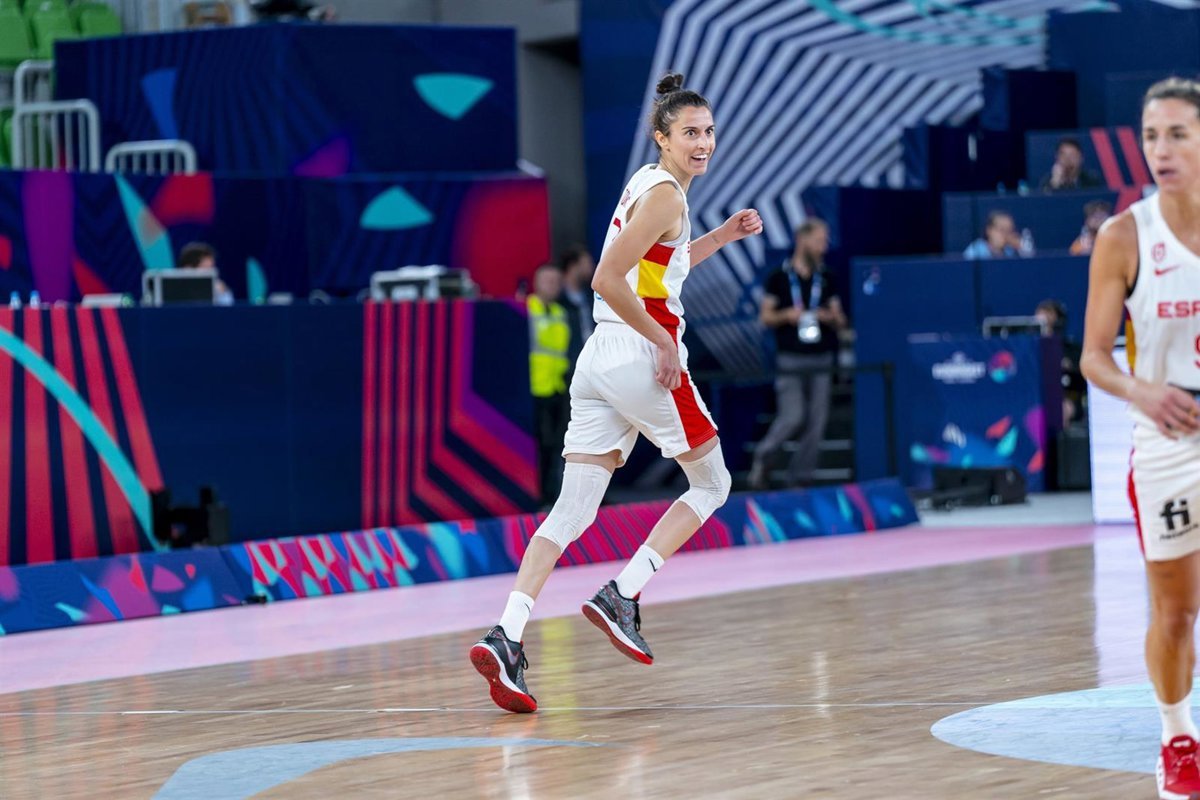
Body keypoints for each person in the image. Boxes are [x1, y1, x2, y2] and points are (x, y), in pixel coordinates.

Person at [469, 72, 763, 713]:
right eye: (690, 132)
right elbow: (606, 278)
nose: (703, 143)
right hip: (639, 354)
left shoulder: (648, 185)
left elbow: (659, 268)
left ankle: (506, 636)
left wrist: (723, 237)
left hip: (600, 359)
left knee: (570, 513)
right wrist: (662, 342)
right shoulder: (667, 197)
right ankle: (622, 594)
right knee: (713, 484)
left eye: (709, 132)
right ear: (662, 136)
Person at [1080, 76, 1200, 800]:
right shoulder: (1125, 235)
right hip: (1168, 442)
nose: (1162, 149)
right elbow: (1093, 358)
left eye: (1178, 134)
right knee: (1177, 611)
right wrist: (1144, 391)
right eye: (1152, 136)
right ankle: (1177, 738)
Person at [746, 219, 847, 490]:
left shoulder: (826, 277)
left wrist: (830, 317)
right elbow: (766, 316)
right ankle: (764, 457)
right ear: (803, 239)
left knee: (817, 421)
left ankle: (800, 478)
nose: (823, 247)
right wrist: (787, 315)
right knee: (793, 415)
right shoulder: (778, 277)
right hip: (790, 357)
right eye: (819, 241)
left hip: (822, 357)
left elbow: (840, 319)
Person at [527, 263, 571, 504]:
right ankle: (537, 495)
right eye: (547, 281)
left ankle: (551, 494)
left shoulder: (560, 312)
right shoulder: (527, 309)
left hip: (556, 386)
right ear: (536, 283)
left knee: (555, 444)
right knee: (538, 445)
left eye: (556, 282)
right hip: (533, 387)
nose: (552, 286)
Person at [1034, 299, 1084, 425]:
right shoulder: (1030, 352)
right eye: (1040, 325)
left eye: (1048, 325)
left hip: (1067, 398)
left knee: (1063, 408)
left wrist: (1066, 368)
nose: (1045, 331)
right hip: (1036, 398)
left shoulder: (1072, 350)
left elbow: (1082, 381)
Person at [558, 244, 596, 369]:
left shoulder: (591, 297)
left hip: (593, 361)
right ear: (574, 266)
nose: (591, 268)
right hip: (569, 365)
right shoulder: (558, 300)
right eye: (587, 263)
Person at [1040, 136, 1104, 192]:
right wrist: (1055, 183)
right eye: (1064, 155)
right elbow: (1045, 200)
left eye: (1072, 155)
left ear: (1081, 158)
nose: (1068, 160)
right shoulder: (1048, 181)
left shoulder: (1092, 180)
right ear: (1057, 158)